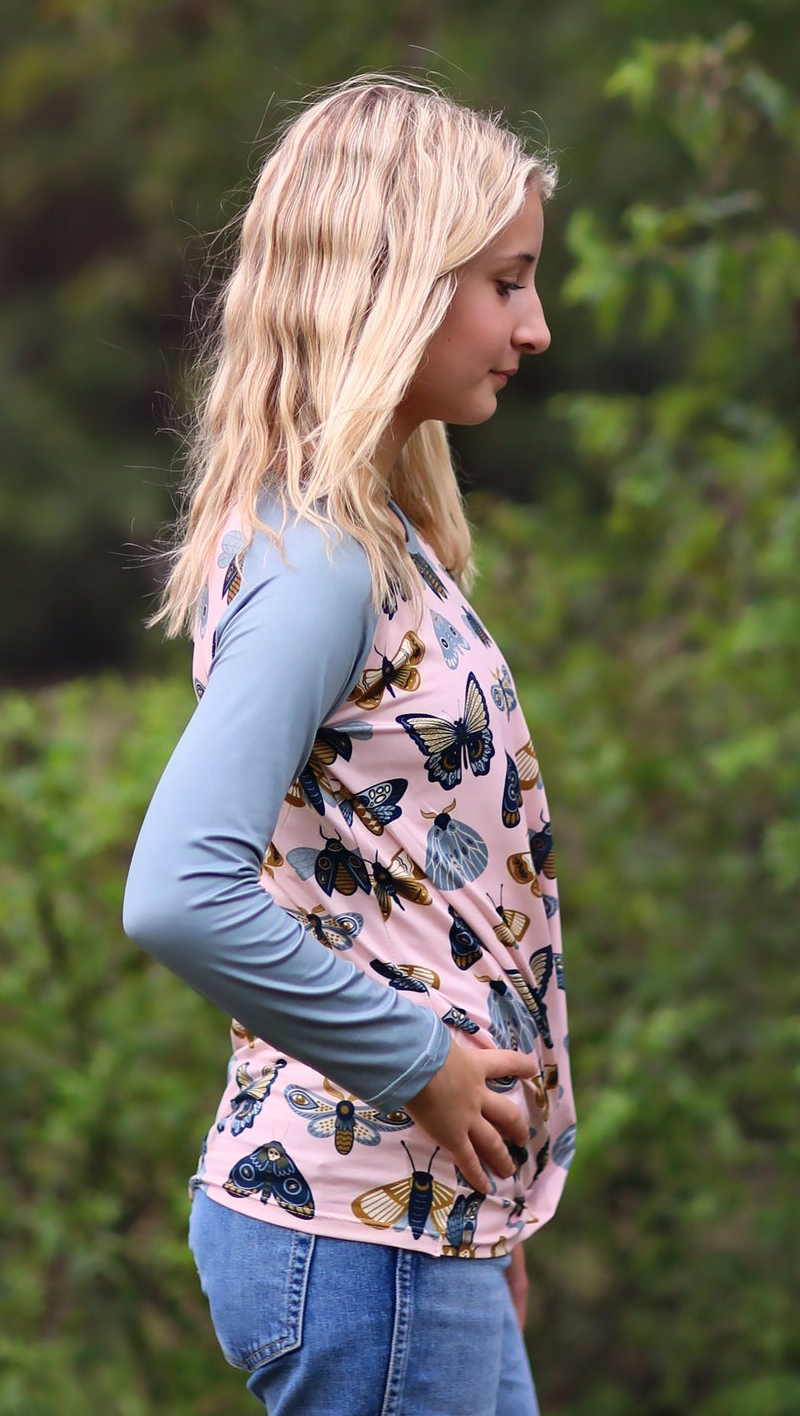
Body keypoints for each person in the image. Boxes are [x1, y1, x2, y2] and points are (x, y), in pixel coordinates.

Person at [121, 76, 575, 1416]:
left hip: (422, 1228)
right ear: (395, 284)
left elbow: (409, 900)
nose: (533, 327)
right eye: (505, 282)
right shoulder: (319, 565)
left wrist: (483, 1213)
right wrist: (417, 1069)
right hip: (352, 1230)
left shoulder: (379, 549)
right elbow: (177, 890)